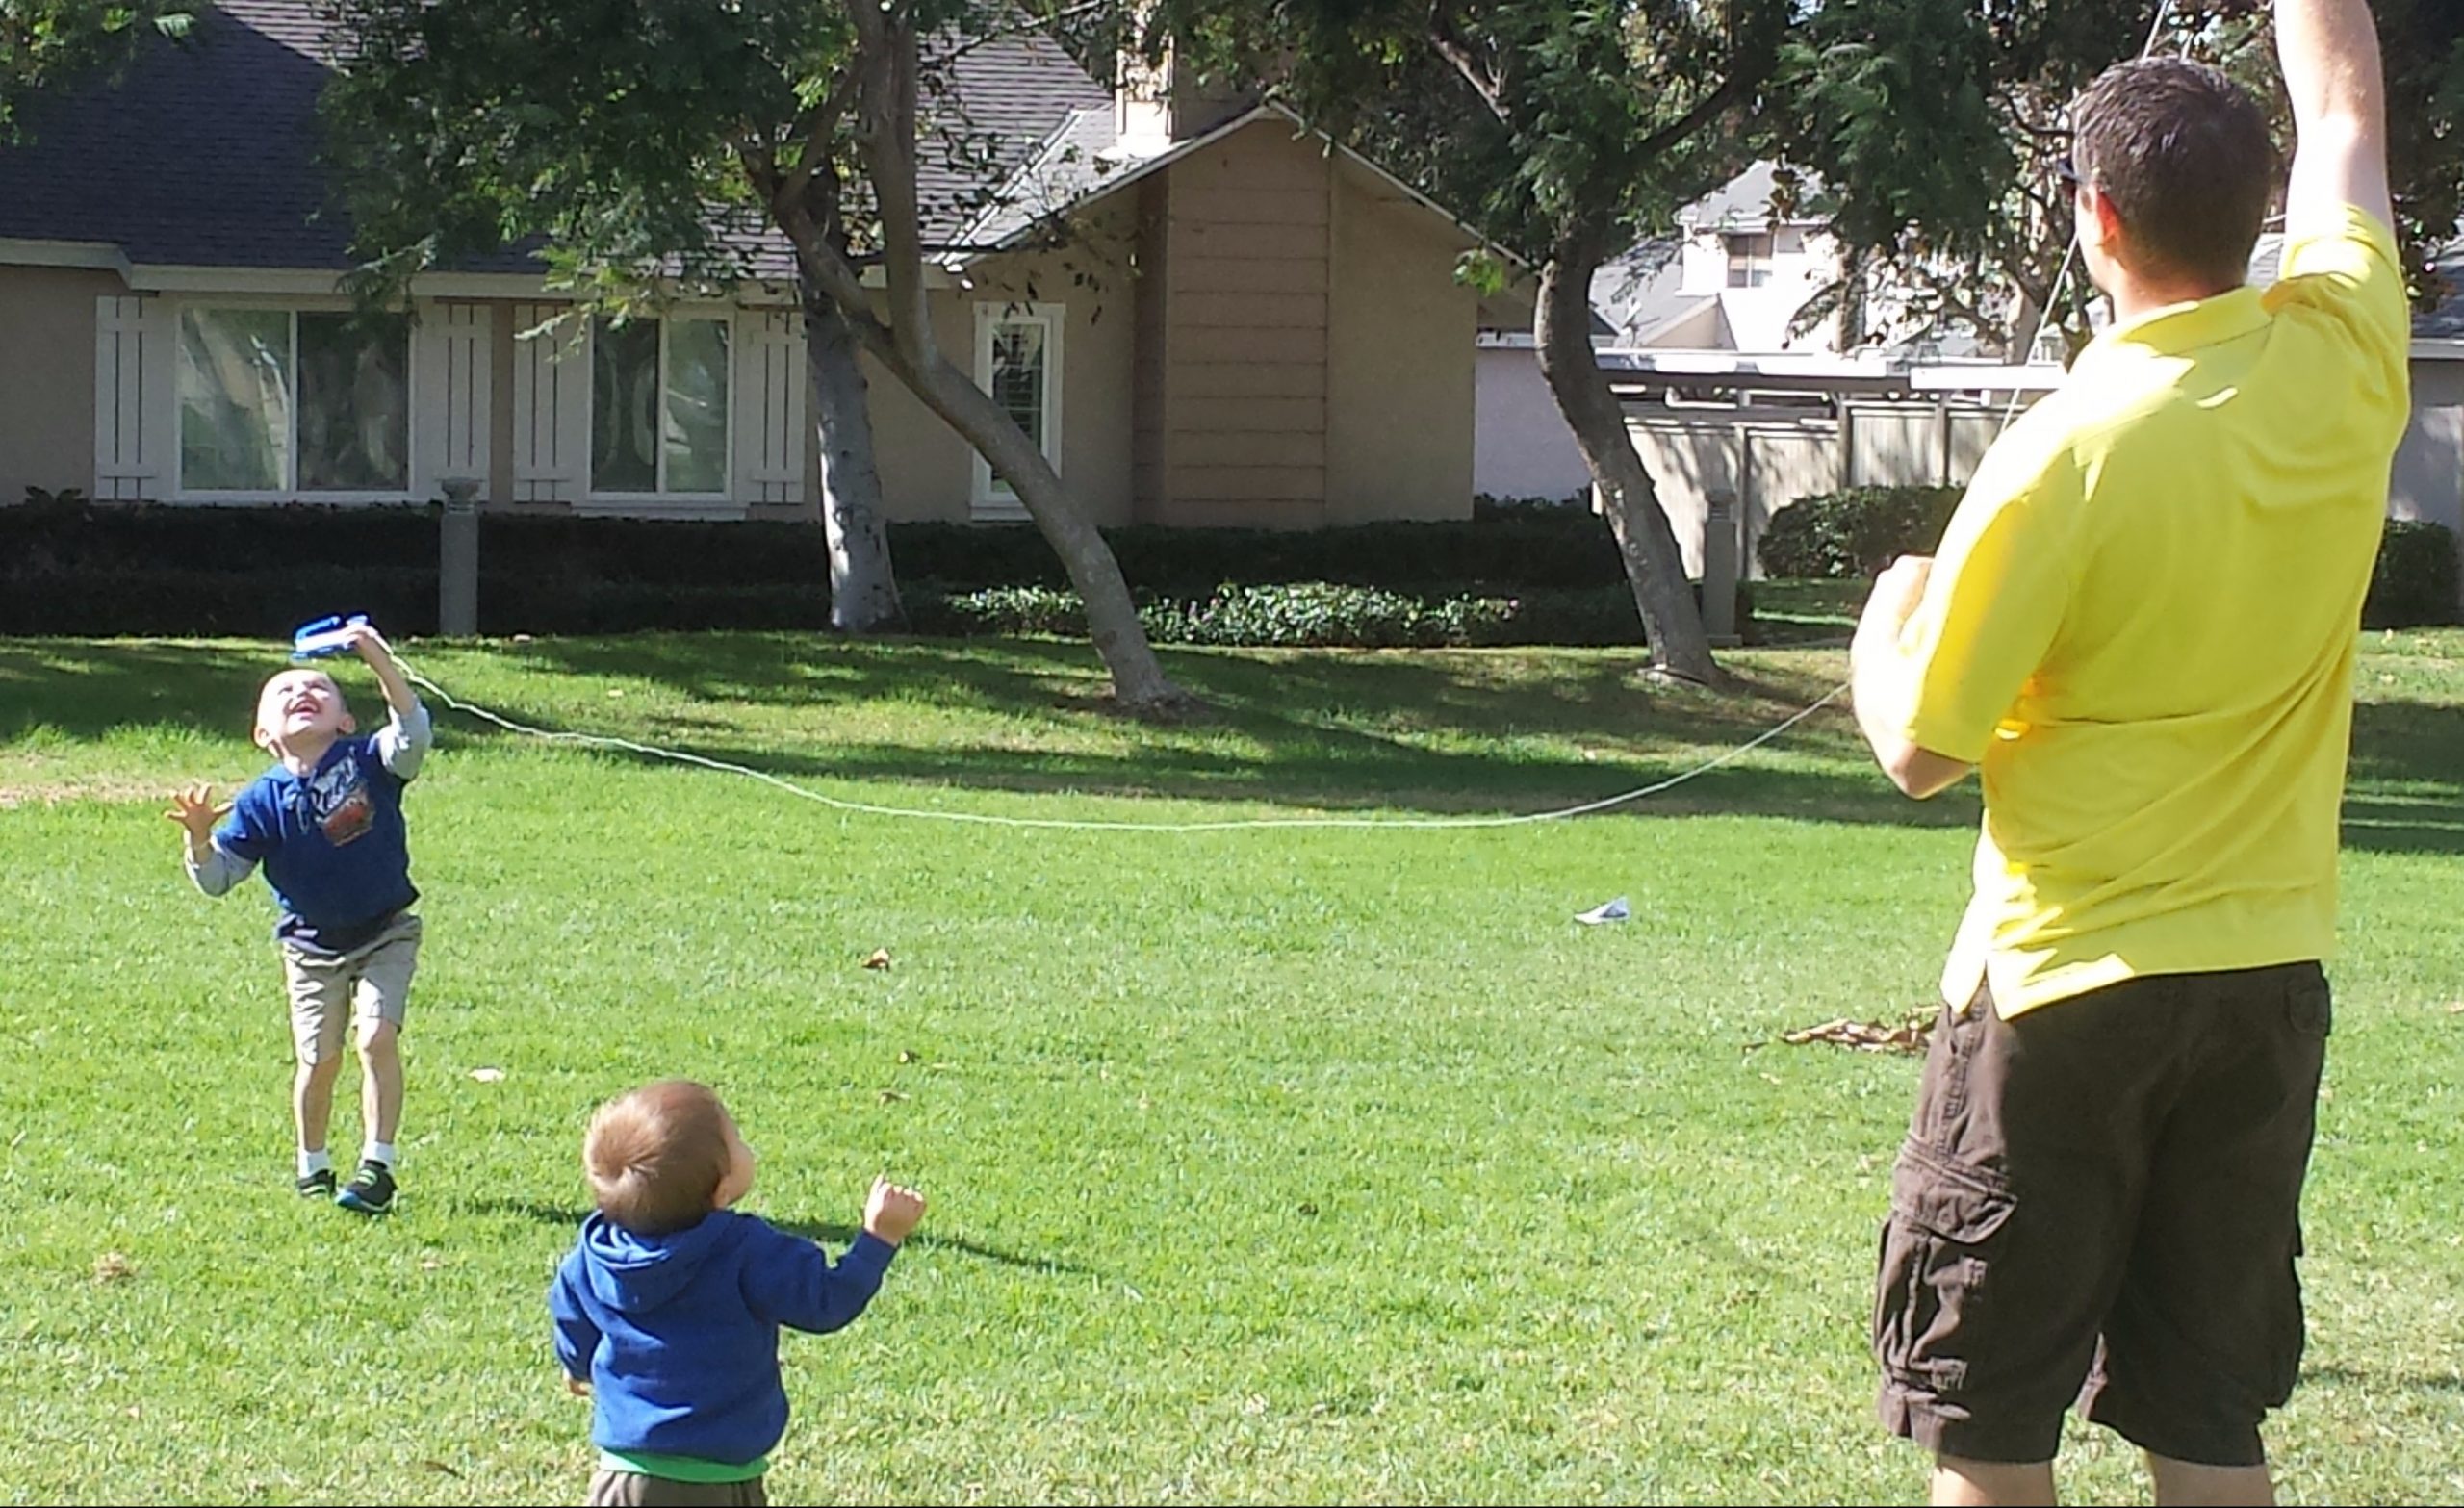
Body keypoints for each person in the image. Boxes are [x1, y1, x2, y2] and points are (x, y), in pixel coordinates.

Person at [1848, 1, 2409, 1502]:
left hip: (2063, 998)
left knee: (1987, 1417)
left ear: (2097, 219)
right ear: (2260, 211)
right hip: (2265, 990)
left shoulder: (2065, 449)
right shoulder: (2347, 352)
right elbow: (2347, 110)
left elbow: (1918, 745)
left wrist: (1884, 621)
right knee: (2208, 1413)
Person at [551, 1080, 927, 1507]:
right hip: (719, 1481)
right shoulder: (747, 1250)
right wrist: (879, 1239)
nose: (746, 1146)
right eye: (738, 1141)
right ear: (722, 1189)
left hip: (624, 1480)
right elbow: (826, 1301)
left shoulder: (595, 1255)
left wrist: (575, 1362)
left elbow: (572, 1314)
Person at [167, 622, 433, 1214]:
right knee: (319, 1060)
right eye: (284, 691)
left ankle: (378, 1167)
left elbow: (412, 730)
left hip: (387, 931)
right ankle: (313, 1164)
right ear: (263, 733)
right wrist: (199, 841)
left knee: (376, 1037)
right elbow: (217, 880)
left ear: (345, 720)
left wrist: (377, 659)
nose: (302, 692)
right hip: (311, 950)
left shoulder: (369, 761)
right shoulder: (260, 801)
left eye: (318, 687)